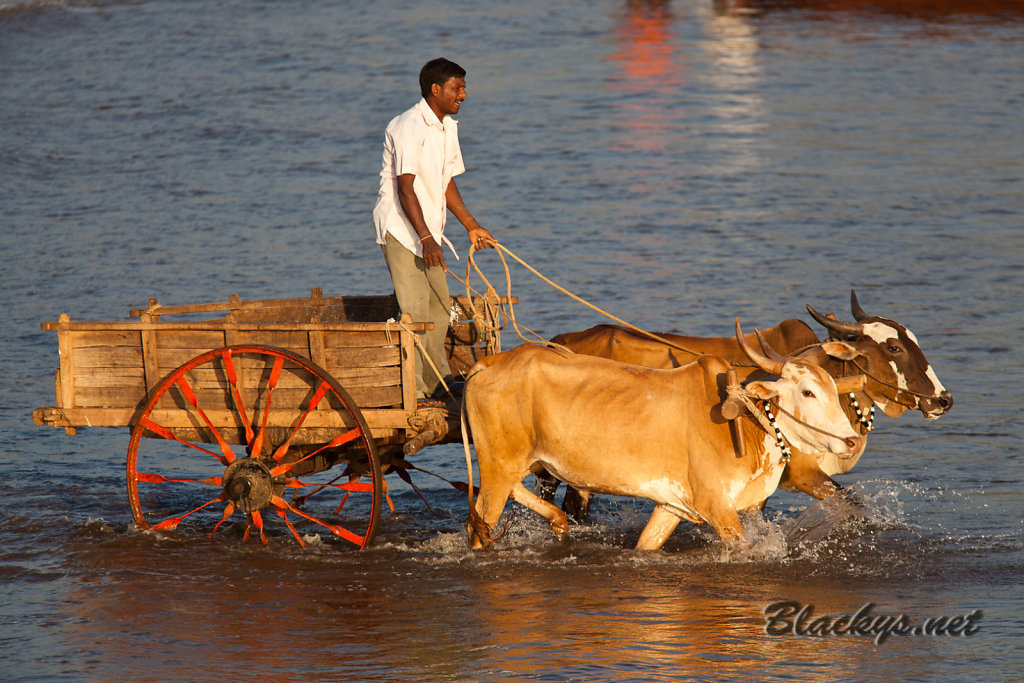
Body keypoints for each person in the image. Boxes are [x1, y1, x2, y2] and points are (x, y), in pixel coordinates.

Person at [373, 57, 495, 405]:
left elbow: (445, 184)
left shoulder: (446, 127)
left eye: (464, 87)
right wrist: (425, 238)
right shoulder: (409, 125)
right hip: (402, 229)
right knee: (415, 310)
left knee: (441, 308)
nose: (464, 95)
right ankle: (414, 390)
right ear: (435, 90)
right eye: (458, 88)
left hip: (428, 234)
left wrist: (471, 226)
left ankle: (438, 382)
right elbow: (405, 188)